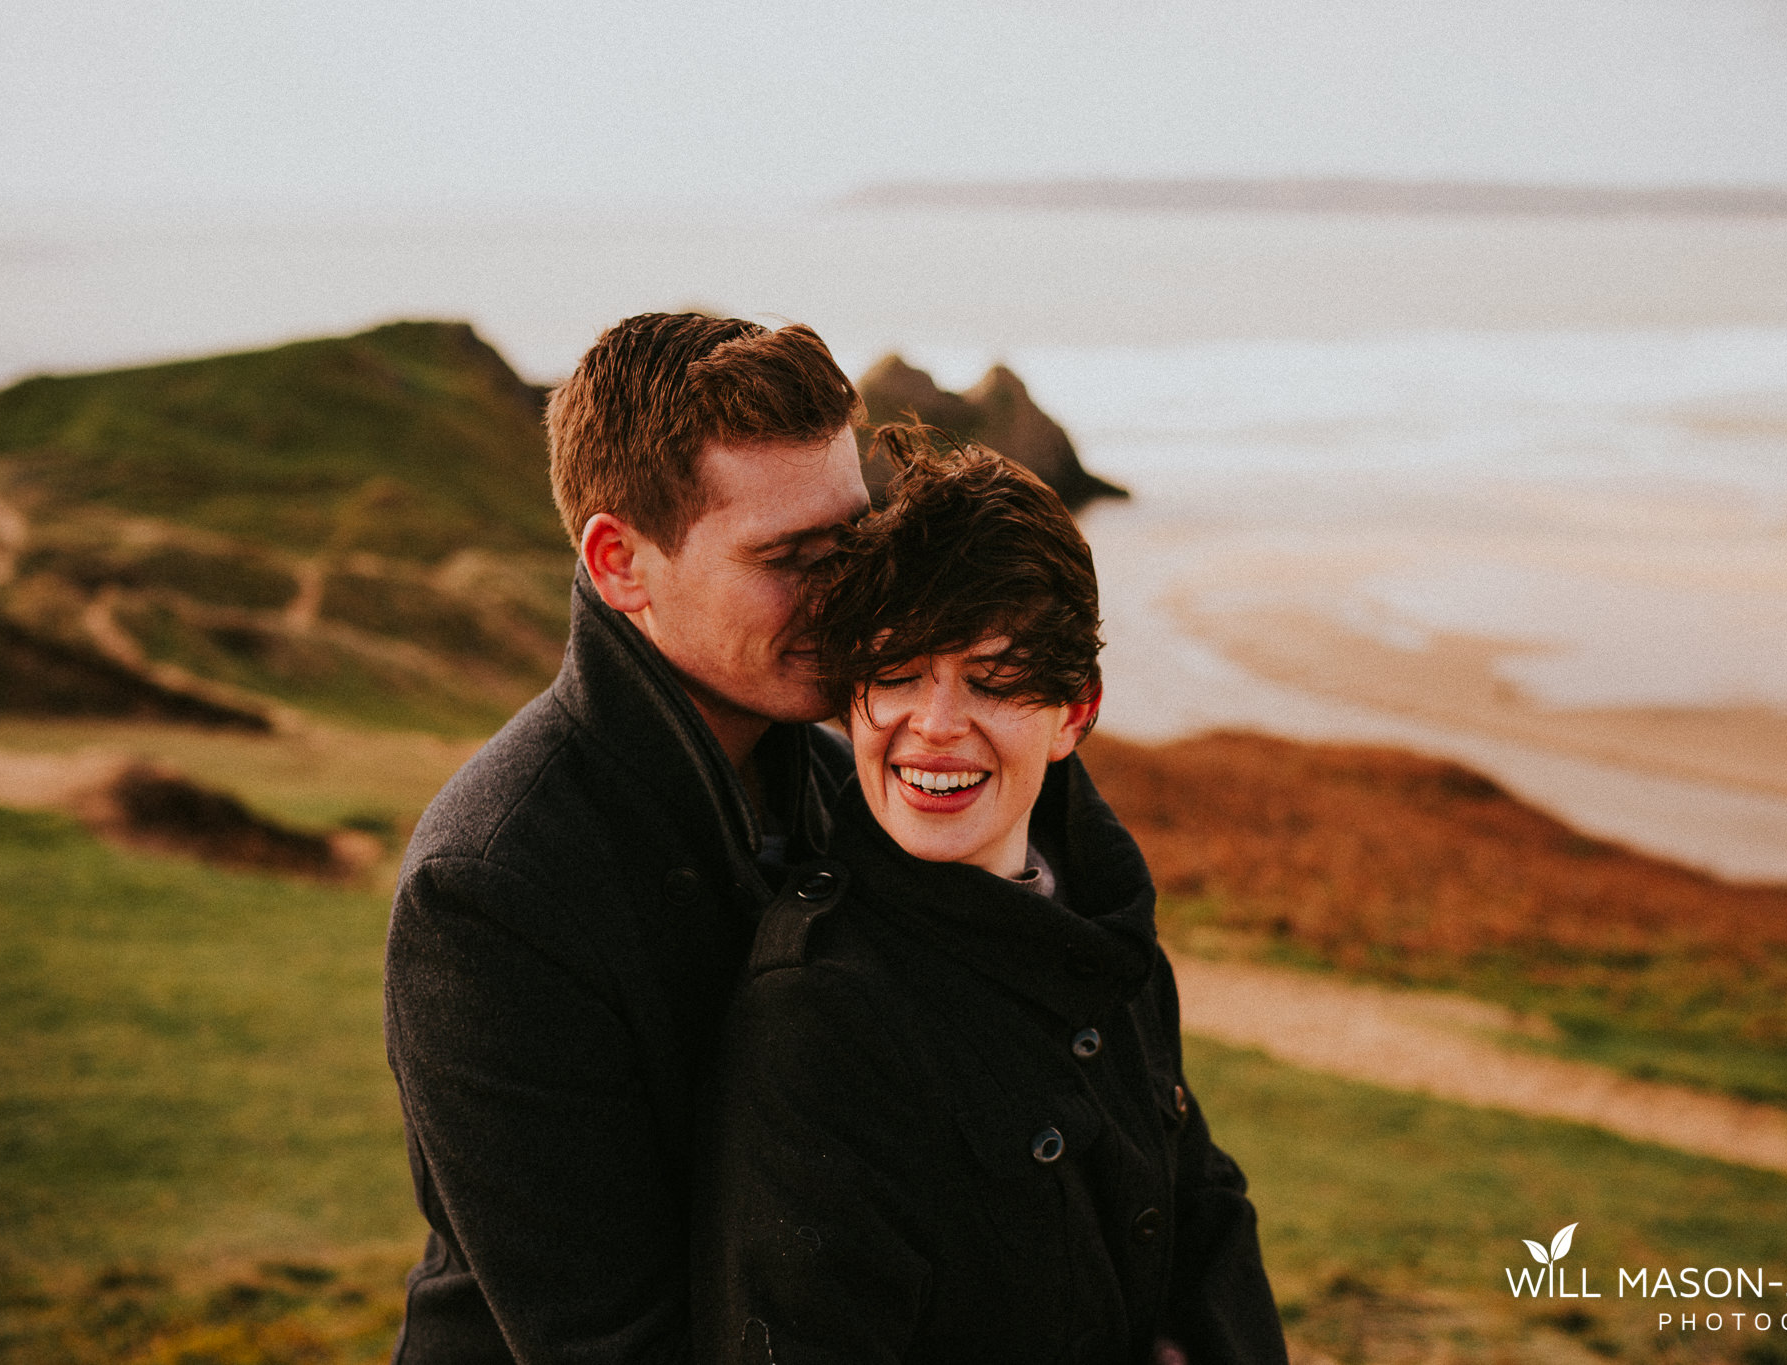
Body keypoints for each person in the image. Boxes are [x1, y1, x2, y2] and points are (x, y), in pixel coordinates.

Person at [696, 428, 1287, 1365]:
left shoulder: (1107, 924)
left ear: (1075, 712)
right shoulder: (823, 1012)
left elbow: (1202, 1203)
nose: (934, 727)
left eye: (993, 681)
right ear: (851, 698)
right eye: (896, 674)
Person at [383, 312, 871, 1363]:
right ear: (620, 564)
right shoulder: (490, 886)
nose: (848, 592)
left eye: (855, 541)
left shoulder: (853, 788)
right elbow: (607, 1341)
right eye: (789, 557)